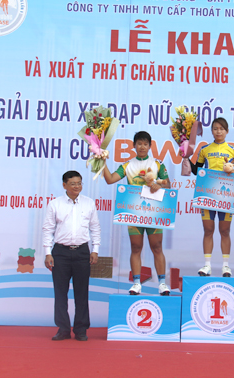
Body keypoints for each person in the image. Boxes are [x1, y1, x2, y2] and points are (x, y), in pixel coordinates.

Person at [103, 131, 171, 296]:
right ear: (134, 146)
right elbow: (110, 179)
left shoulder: (157, 164)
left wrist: (159, 185)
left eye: (145, 144)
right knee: (136, 247)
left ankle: (162, 283)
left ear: (150, 146)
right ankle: (136, 283)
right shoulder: (127, 165)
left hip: (154, 213)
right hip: (134, 213)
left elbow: (168, 184)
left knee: (157, 247)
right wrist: (101, 161)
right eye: (139, 143)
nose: (142, 147)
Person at [43, 171, 100, 341]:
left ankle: (81, 330)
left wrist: (95, 249)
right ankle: (63, 329)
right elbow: (48, 229)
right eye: (73, 183)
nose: (77, 186)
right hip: (60, 253)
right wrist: (48, 253)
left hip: (82, 251)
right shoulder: (55, 204)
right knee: (60, 292)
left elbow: (95, 228)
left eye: (79, 183)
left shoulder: (89, 203)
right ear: (64, 185)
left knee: (82, 293)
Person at [190, 117, 234, 277]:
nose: (218, 131)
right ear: (212, 131)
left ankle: (226, 266)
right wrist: (186, 157)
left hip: (226, 196)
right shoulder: (205, 149)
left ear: (227, 131)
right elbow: (196, 171)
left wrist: (233, 172)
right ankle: (207, 265)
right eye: (215, 128)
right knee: (208, 230)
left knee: (225, 230)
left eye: (221, 128)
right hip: (208, 194)